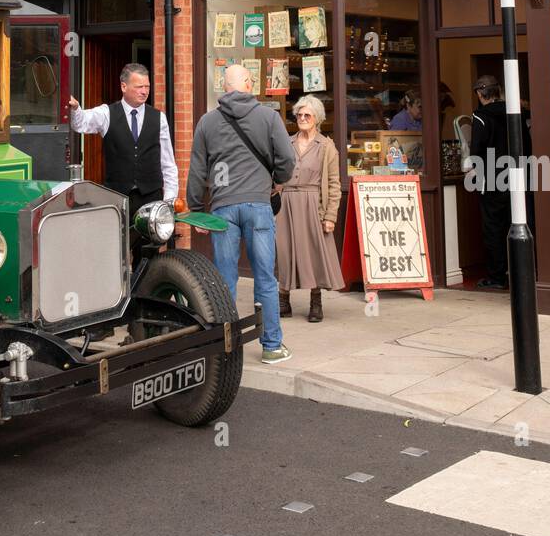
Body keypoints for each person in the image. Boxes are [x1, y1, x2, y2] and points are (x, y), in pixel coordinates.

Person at [186, 64, 295, 364]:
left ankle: (226, 348)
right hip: (259, 206)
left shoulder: (207, 122)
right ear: (248, 83)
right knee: (265, 278)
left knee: (224, 279)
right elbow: (287, 159)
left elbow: (197, 169)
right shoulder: (269, 117)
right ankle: (272, 345)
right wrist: (278, 180)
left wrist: (196, 209)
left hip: (222, 208)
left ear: (225, 87)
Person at [68, 63, 177, 263]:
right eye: (139, 87)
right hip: (118, 196)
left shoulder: (158, 117)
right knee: (115, 252)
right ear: (124, 87)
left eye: (147, 87)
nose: (144, 92)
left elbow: (168, 161)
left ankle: (143, 294)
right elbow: (81, 123)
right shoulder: (107, 113)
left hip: (150, 196)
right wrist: (75, 109)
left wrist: (169, 198)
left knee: (149, 254)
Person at [275, 95, 344, 323]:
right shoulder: (287, 142)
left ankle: (316, 302)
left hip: (314, 204)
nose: (302, 118)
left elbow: (334, 183)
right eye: (299, 115)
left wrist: (330, 215)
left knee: (314, 253)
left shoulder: (326, 146)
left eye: (307, 115)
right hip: (286, 204)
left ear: (317, 118)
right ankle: (283, 301)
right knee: (285, 251)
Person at [469, 74, 532, 290]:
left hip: (493, 178)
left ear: (480, 94)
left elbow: (476, 150)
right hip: (518, 176)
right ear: (498, 91)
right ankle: (523, 272)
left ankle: (497, 277)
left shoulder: (480, 116)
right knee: (519, 223)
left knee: (494, 228)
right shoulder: (515, 112)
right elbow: (527, 144)